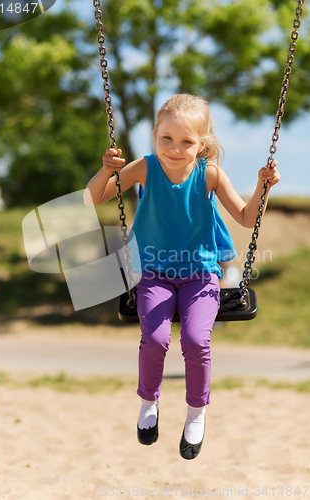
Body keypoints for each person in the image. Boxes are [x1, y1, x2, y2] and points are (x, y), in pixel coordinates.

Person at [84, 94, 280, 460]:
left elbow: (246, 217)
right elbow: (93, 198)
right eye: (166, 139)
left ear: (202, 144)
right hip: (154, 274)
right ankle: (148, 405)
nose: (174, 149)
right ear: (155, 134)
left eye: (186, 141)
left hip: (201, 276)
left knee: (194, 340)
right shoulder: (144, 168)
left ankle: (196, 413)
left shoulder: (209, 174)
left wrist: (263, 187)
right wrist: (106, 170)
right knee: (155, 339)